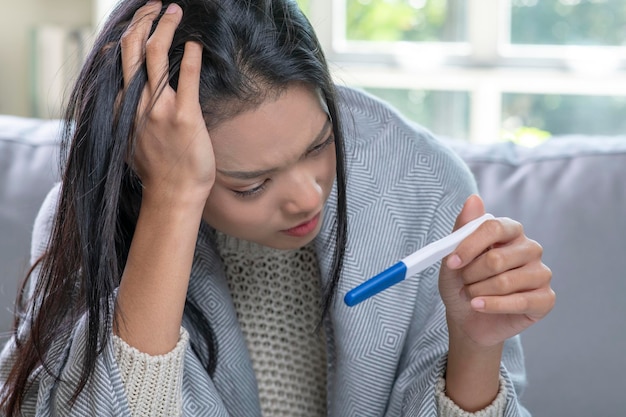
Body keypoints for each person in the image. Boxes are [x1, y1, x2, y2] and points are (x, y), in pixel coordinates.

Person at [0, 0, 555, 416]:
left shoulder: (422, 181)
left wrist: (476, 347)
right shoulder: (93, 222)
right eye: (250, 184)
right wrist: (170, 202)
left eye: (318, 146)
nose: (308, 196)